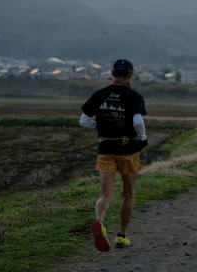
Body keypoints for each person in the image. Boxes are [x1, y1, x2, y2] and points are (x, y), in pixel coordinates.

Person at [80, 59, 148, 252]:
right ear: (131, 75)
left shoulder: (99, 94)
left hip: (106, 147)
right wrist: (143, 138)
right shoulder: (134, 96)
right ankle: (121, 236)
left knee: (106, 194)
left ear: (112, 73)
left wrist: (102, 127)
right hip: (128, 148)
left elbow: (83, 121)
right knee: (127, 193)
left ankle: (99, 221)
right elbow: (137, 121)